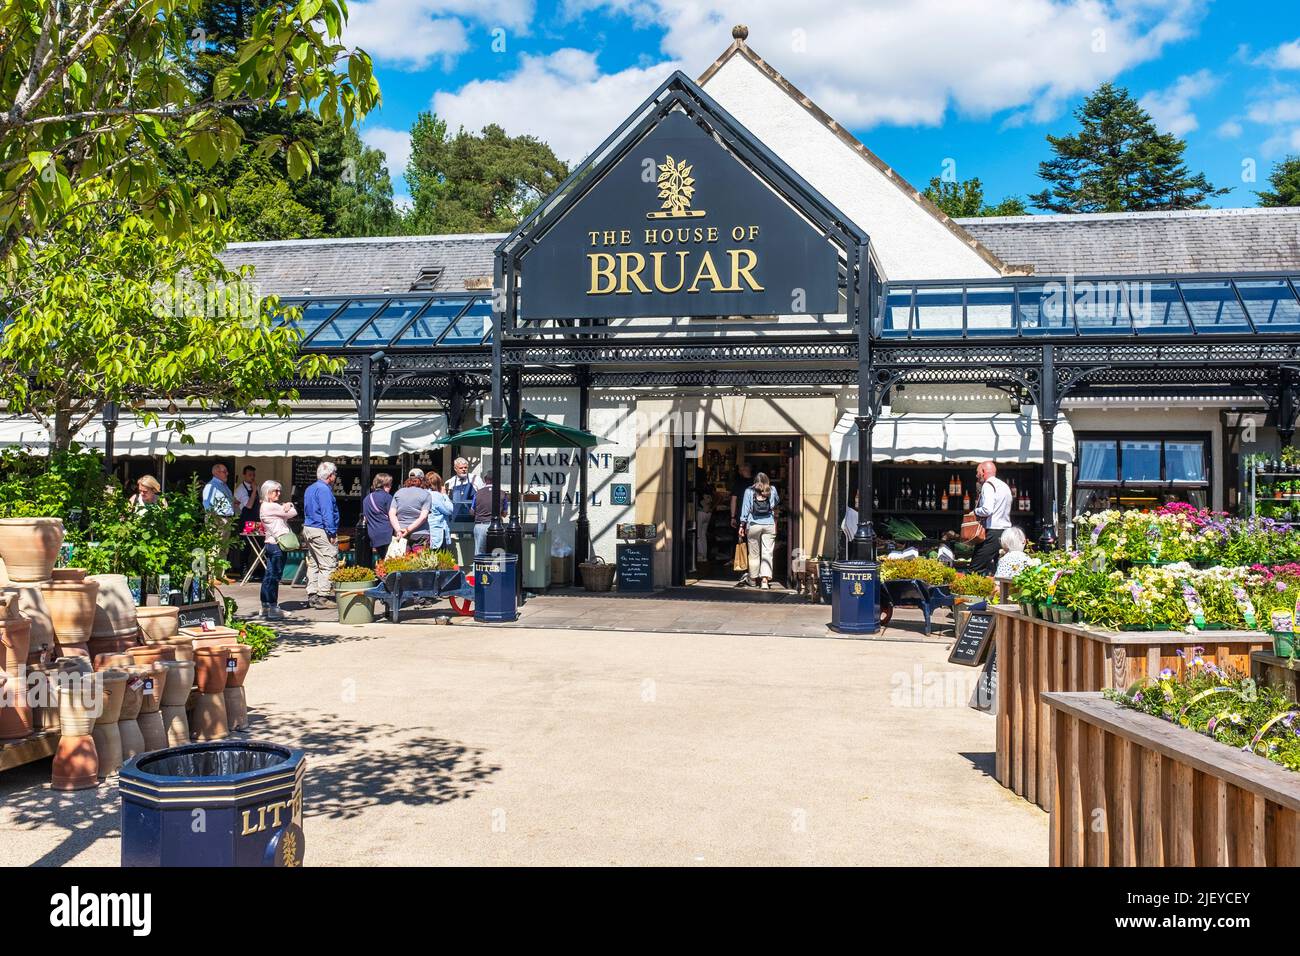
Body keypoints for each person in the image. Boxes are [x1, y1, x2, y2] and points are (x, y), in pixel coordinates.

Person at [303, 460, 340, 609]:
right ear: (330, 476)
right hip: (320, 529)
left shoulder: (310, 488)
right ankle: (323, 597)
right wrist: (331, 532)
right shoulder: (324, 490)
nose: (335, 477)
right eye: (335, 474)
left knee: (314, 563)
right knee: (328, 562)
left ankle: (312, 594)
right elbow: (327, 513)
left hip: (308, 528)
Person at [258, 480, 297, 620]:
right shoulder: (271, 506)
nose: (278, 493)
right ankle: (273, 607)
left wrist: (285, 506)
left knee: (269, 575)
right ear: (267, 492)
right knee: (275, 576)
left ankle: (265, 606)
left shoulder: (265, 506)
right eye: (276, 491)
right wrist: (289, 505)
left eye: (279, 490)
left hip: (270, 543)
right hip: (277, 545)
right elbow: (293, 512)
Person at [970, 460, 1013, 575]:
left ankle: (978, 592)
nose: (976, 475)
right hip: (1006, 532)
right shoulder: (1004, 486)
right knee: (1000, 571)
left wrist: (975, 511)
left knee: (976, 568)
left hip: (993, 532)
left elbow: (987, 510)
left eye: (977, 472)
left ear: (983, 472)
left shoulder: (988, 485)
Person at [741, 471, 780, 589]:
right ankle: (764, 581)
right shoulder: (772, 490)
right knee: (767, 553)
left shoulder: (749, 491)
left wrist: (742, 525)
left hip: (753, 525)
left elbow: (745, 509)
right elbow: (776, 502)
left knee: (753, 554)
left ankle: (752, 579)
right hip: (769, 524)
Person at [390, 469, 432, 552]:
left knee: (402, 561)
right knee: (420, 563)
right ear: (422, 480)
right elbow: (423, 517)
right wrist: (408, 530)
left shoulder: (398, 493)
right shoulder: (426, 494)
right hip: (420, 534)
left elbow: (391, 514)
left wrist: (398, 530)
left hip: (401, 534)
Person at [729, 461, 754, 585]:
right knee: (754, 546)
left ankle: (744, 569)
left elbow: (734, 500)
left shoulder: (738, 483)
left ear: (745, 469)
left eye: (740, 469)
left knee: (741, 544)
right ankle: (754, 573)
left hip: (741, 518)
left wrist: (733, 516)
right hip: (756, 519)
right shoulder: (756, 482)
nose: (739, 471)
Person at [233, 465, 259, 578]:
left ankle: (254, 569)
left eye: (253, 475)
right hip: (245, 520)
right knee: (246, 546)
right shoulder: (240, 489)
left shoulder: (255, 487)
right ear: (244, 475)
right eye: (250, 475)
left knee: (258, 544)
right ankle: (243, 569)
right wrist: (253, 491)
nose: (252, 477)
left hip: (256, 519)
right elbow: (248, 505)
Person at [472, 470, 507, 555]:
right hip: (496, 527)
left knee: (479, 553)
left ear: (485, 479)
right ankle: (496, 568)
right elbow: (505, 513)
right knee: (497, 553)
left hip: (480, 525)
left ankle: (478, 568)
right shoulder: (502, 494)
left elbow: (472, 511)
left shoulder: (477, 493)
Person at [362, 473, 395, 561]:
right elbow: (393, 516)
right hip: (387, 535)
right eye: (389, 484)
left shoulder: (366, 499)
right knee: (391, 562)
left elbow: (366, 518)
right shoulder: (387, 497)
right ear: (385, 485)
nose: (391, 487)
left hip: (374, 536)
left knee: (383, 559)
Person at [445, 456, 482, 523]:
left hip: (472, 515)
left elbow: (482, 496)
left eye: (465, 467)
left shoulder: (476, 479)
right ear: (455, 469)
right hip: (456, 516)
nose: (463, 469)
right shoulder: (450, 482)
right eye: (461, 468)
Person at [425, 471, 455, 550]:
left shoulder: (423, 494)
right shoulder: (436, 495)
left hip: (426, 529)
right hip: (437, 531)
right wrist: (444, 494)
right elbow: (450, 510)